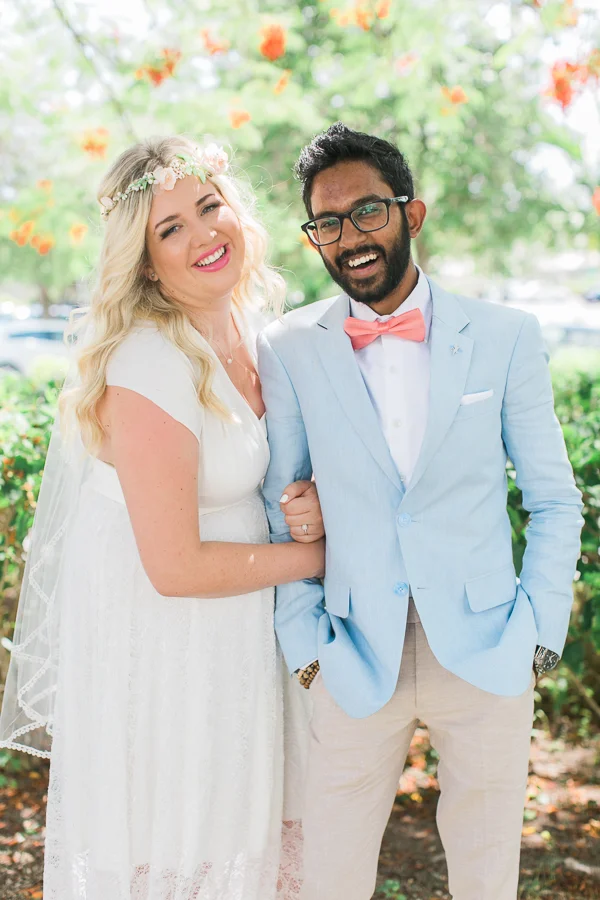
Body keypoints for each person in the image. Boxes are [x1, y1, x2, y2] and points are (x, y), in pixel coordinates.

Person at [258, 123, 584, 900]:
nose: (350, 237)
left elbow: (552, 498)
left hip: (488, 647)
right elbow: (280, 504)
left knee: (486, 875)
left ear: (413, 213)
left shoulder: (505, 335)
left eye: (367, 212)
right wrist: (306, 647)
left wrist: (539, 635)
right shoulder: (287, 346)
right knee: (330, 877)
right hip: (350, 653)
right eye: (327, 223)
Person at [0, 136, 325, 900]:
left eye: (209, 207)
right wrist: (327, 555)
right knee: (185, 843)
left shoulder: (250, 328)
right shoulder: (149, 358)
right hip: (167, 645)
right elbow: (175, 566)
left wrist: (312, 503)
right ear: (144, 262)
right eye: (170, 228)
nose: (203, 234)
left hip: (238, 626)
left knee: (241, 837)